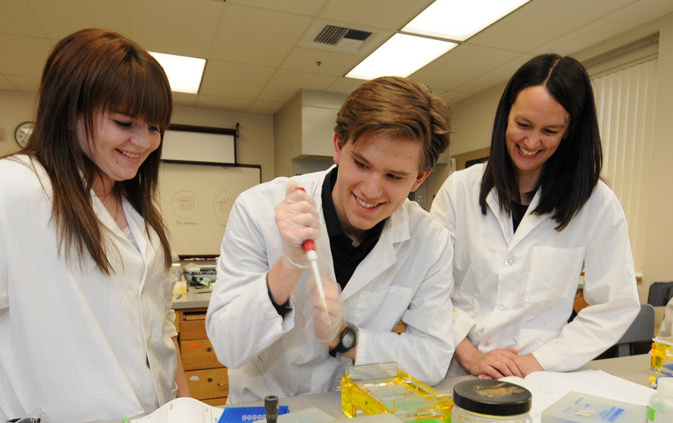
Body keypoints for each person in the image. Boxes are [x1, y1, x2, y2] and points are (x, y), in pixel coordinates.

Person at [0, 28, 190, 423]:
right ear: (69, 110)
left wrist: (187, 416)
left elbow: (160, 332)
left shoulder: (137, 213)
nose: (145, 141)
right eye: (124, 123)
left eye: (154, 127)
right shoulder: (1, 194)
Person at [206, 76, 455, 404]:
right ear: (339, 146)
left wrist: (344, 339)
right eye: (361, 164)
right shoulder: (258, 208)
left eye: (394, 176)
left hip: (346, 418)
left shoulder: (430, 240)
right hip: (261, 414)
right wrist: (289, 266)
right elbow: (227, 346)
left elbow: (433, 357)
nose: (370, 190)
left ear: (419, 178)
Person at [430, 54, 640, 379]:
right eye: (523, 124)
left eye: (550, 131)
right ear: (506, 115)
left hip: (535, 381)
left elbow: (614, 306)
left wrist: (539, 361)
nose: (530, 142)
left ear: (569, 131)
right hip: (455, 370)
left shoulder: (596, 204)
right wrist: (471, 357)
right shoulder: (460, 190)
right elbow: (429, 290)